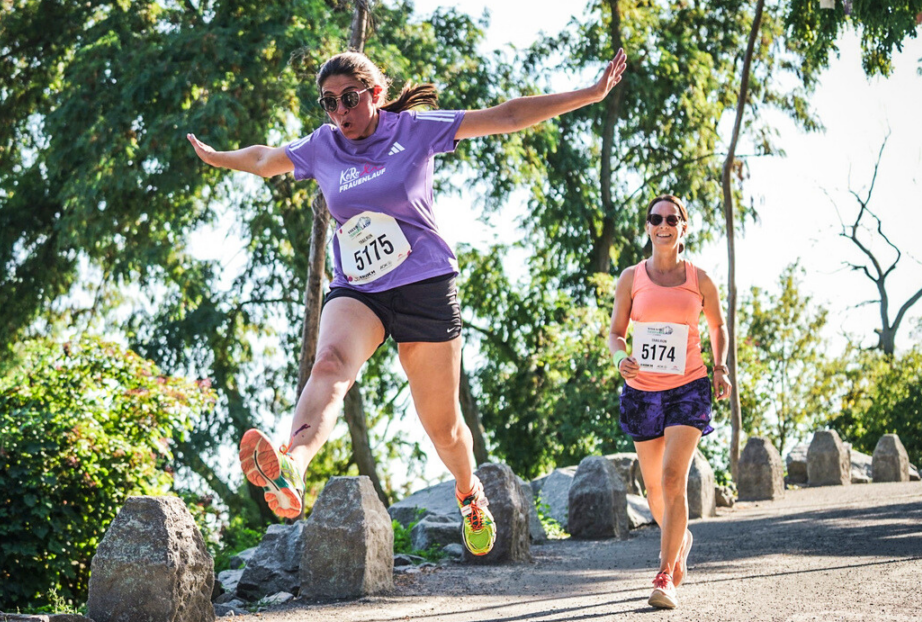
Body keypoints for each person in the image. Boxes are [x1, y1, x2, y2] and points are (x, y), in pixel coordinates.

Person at [189, 47, 627, 556]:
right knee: (329, 363)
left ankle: (470, 494)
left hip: (424, 284)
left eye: (348, 99)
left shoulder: (414, 130)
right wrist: (219, 158)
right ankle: (293, 465)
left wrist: (590, 94)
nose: (339, 113)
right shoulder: (322, 146)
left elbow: (505, 116)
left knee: (443, 428)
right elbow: (265, 160)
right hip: (360, 287)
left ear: (375, 94)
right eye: (327, 103)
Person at [606, 194, 731, 608]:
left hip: (688, 387)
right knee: (655, 489)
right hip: (642, 390)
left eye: (671, 219)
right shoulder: (631, 278)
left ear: (683, 227)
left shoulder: (700, 280)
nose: (663, 224)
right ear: (647, 226)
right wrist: (621, 358)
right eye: (655, 218)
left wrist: (720, 369)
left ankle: (664, 576)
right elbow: (615, 333)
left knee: (675, 479)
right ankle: (681, 538)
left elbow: (717, 326)